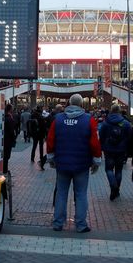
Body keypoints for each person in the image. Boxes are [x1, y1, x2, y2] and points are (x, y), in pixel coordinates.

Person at [46, 94, 102, 233]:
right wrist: (97, 160)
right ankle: (81, 224)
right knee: (81, 194)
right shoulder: (89, 120)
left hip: (62, 164)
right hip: (81, 164)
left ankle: (58, 223)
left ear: (69, 104)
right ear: (81, 104)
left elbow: (50, 139)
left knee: (61, 193)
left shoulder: (58, 119)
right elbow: (95, 143)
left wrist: (51, 158)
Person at [98, 104, 131, 201]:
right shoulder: (125, 123)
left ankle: (113, 186)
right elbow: (129, 136)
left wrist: (102, 146)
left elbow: (101, 135)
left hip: (109, 149)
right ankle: (117, 190)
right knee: (119, 170)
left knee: (109, 169)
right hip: (121, 149)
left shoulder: (106, 122)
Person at [2, 103, 17, 174]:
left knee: (5, 156)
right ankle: (5, 170)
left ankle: (5, 169)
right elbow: (11, 130)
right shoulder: (9, 118)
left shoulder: (5, 117)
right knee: (6, 156)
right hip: (8, 140)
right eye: (12, 108)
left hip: (5, 139)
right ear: (10, 109)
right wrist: (14, 138)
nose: (13, 109)